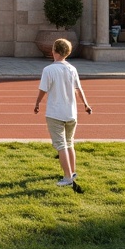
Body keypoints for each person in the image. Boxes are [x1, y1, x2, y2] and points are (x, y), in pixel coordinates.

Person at [33, 37, 92, 192]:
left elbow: (43, 90)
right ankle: (72, 172)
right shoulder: (72, 69)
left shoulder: (49, 70)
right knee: (69, 143)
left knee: (60, 145)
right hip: (71, 112)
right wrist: (86, 104)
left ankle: (67, 178)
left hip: (55, 113)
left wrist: (37, 103)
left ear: (54, 51)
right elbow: (79, 89)